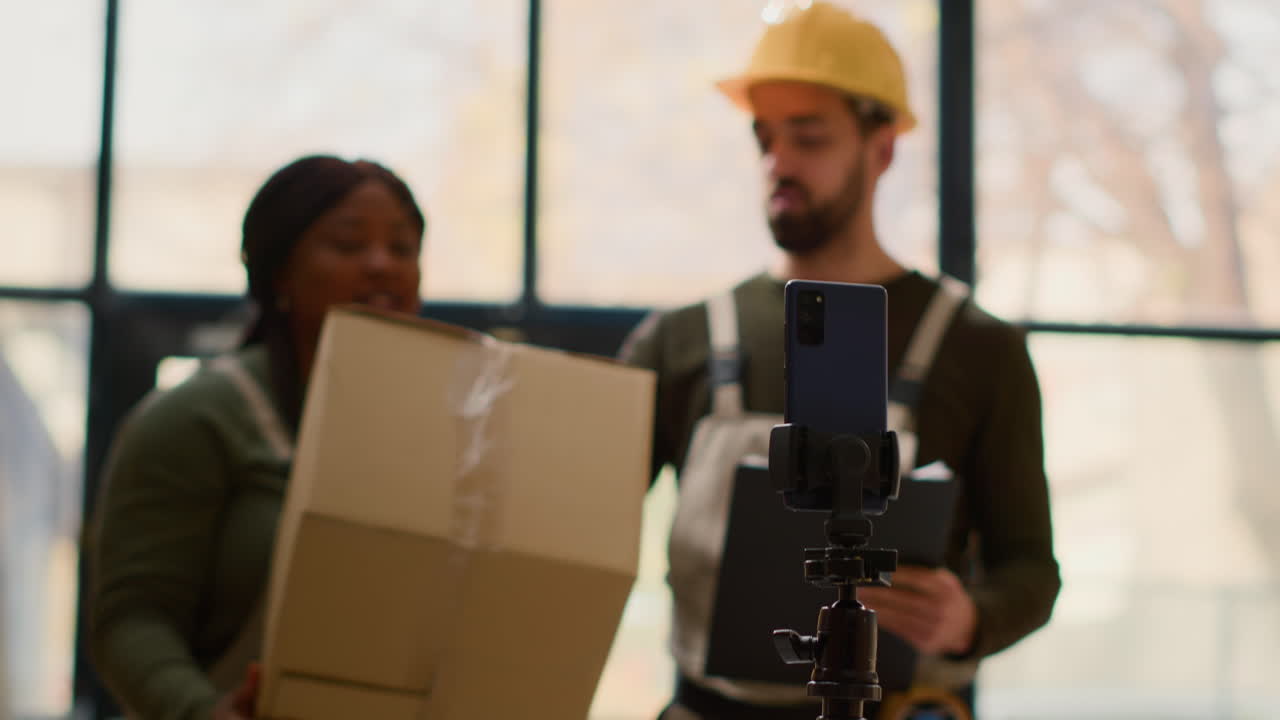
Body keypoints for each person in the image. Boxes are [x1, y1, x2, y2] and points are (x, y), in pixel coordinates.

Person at [619, 3, 1060, 719]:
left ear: (881, 148)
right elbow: (576, 525)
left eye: (810, 137)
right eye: (764, 137)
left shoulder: (982, 350)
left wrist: (968, 619)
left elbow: (1031, 570)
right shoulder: (678, 342)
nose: (778, 162)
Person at [86, 155, 426, 720]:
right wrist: (199, 710)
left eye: (402, 248)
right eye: (347, 245)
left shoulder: (444, 429)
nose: (380, 265)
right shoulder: (196, 419)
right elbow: (130, 621)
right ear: (279, 273)